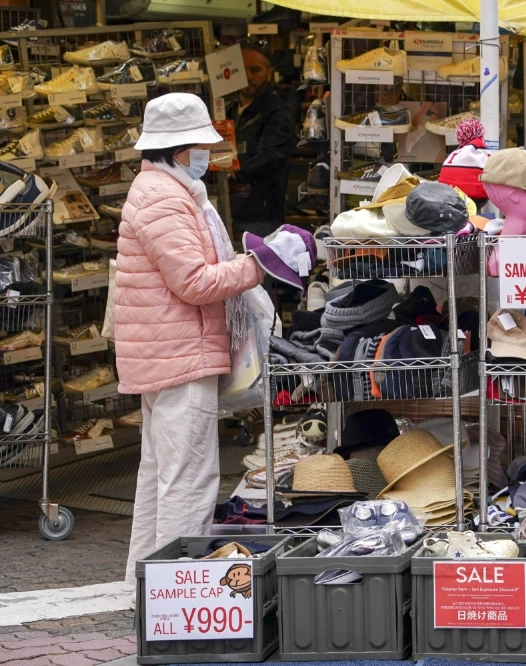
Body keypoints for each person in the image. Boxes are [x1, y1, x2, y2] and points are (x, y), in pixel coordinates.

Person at [117, 93, 266, 586]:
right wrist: (257, 266)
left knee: (161, 476)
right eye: (201, 145)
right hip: (179, 352)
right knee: (189, 478)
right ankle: (176, 590)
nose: (207, 153)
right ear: (179, 151)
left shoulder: (166, 191)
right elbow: (195, 282)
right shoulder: (165, 197)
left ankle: (144, 588)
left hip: (166, 352)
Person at [228, 41, 295, 237]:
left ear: (269, 72)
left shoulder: (277, 112)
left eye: (255, 70)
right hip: (230, 208)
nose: (248, 76)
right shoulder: (229, 110)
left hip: (261, 216)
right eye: (241, 70)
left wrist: (234, 173)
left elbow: (270, 156)